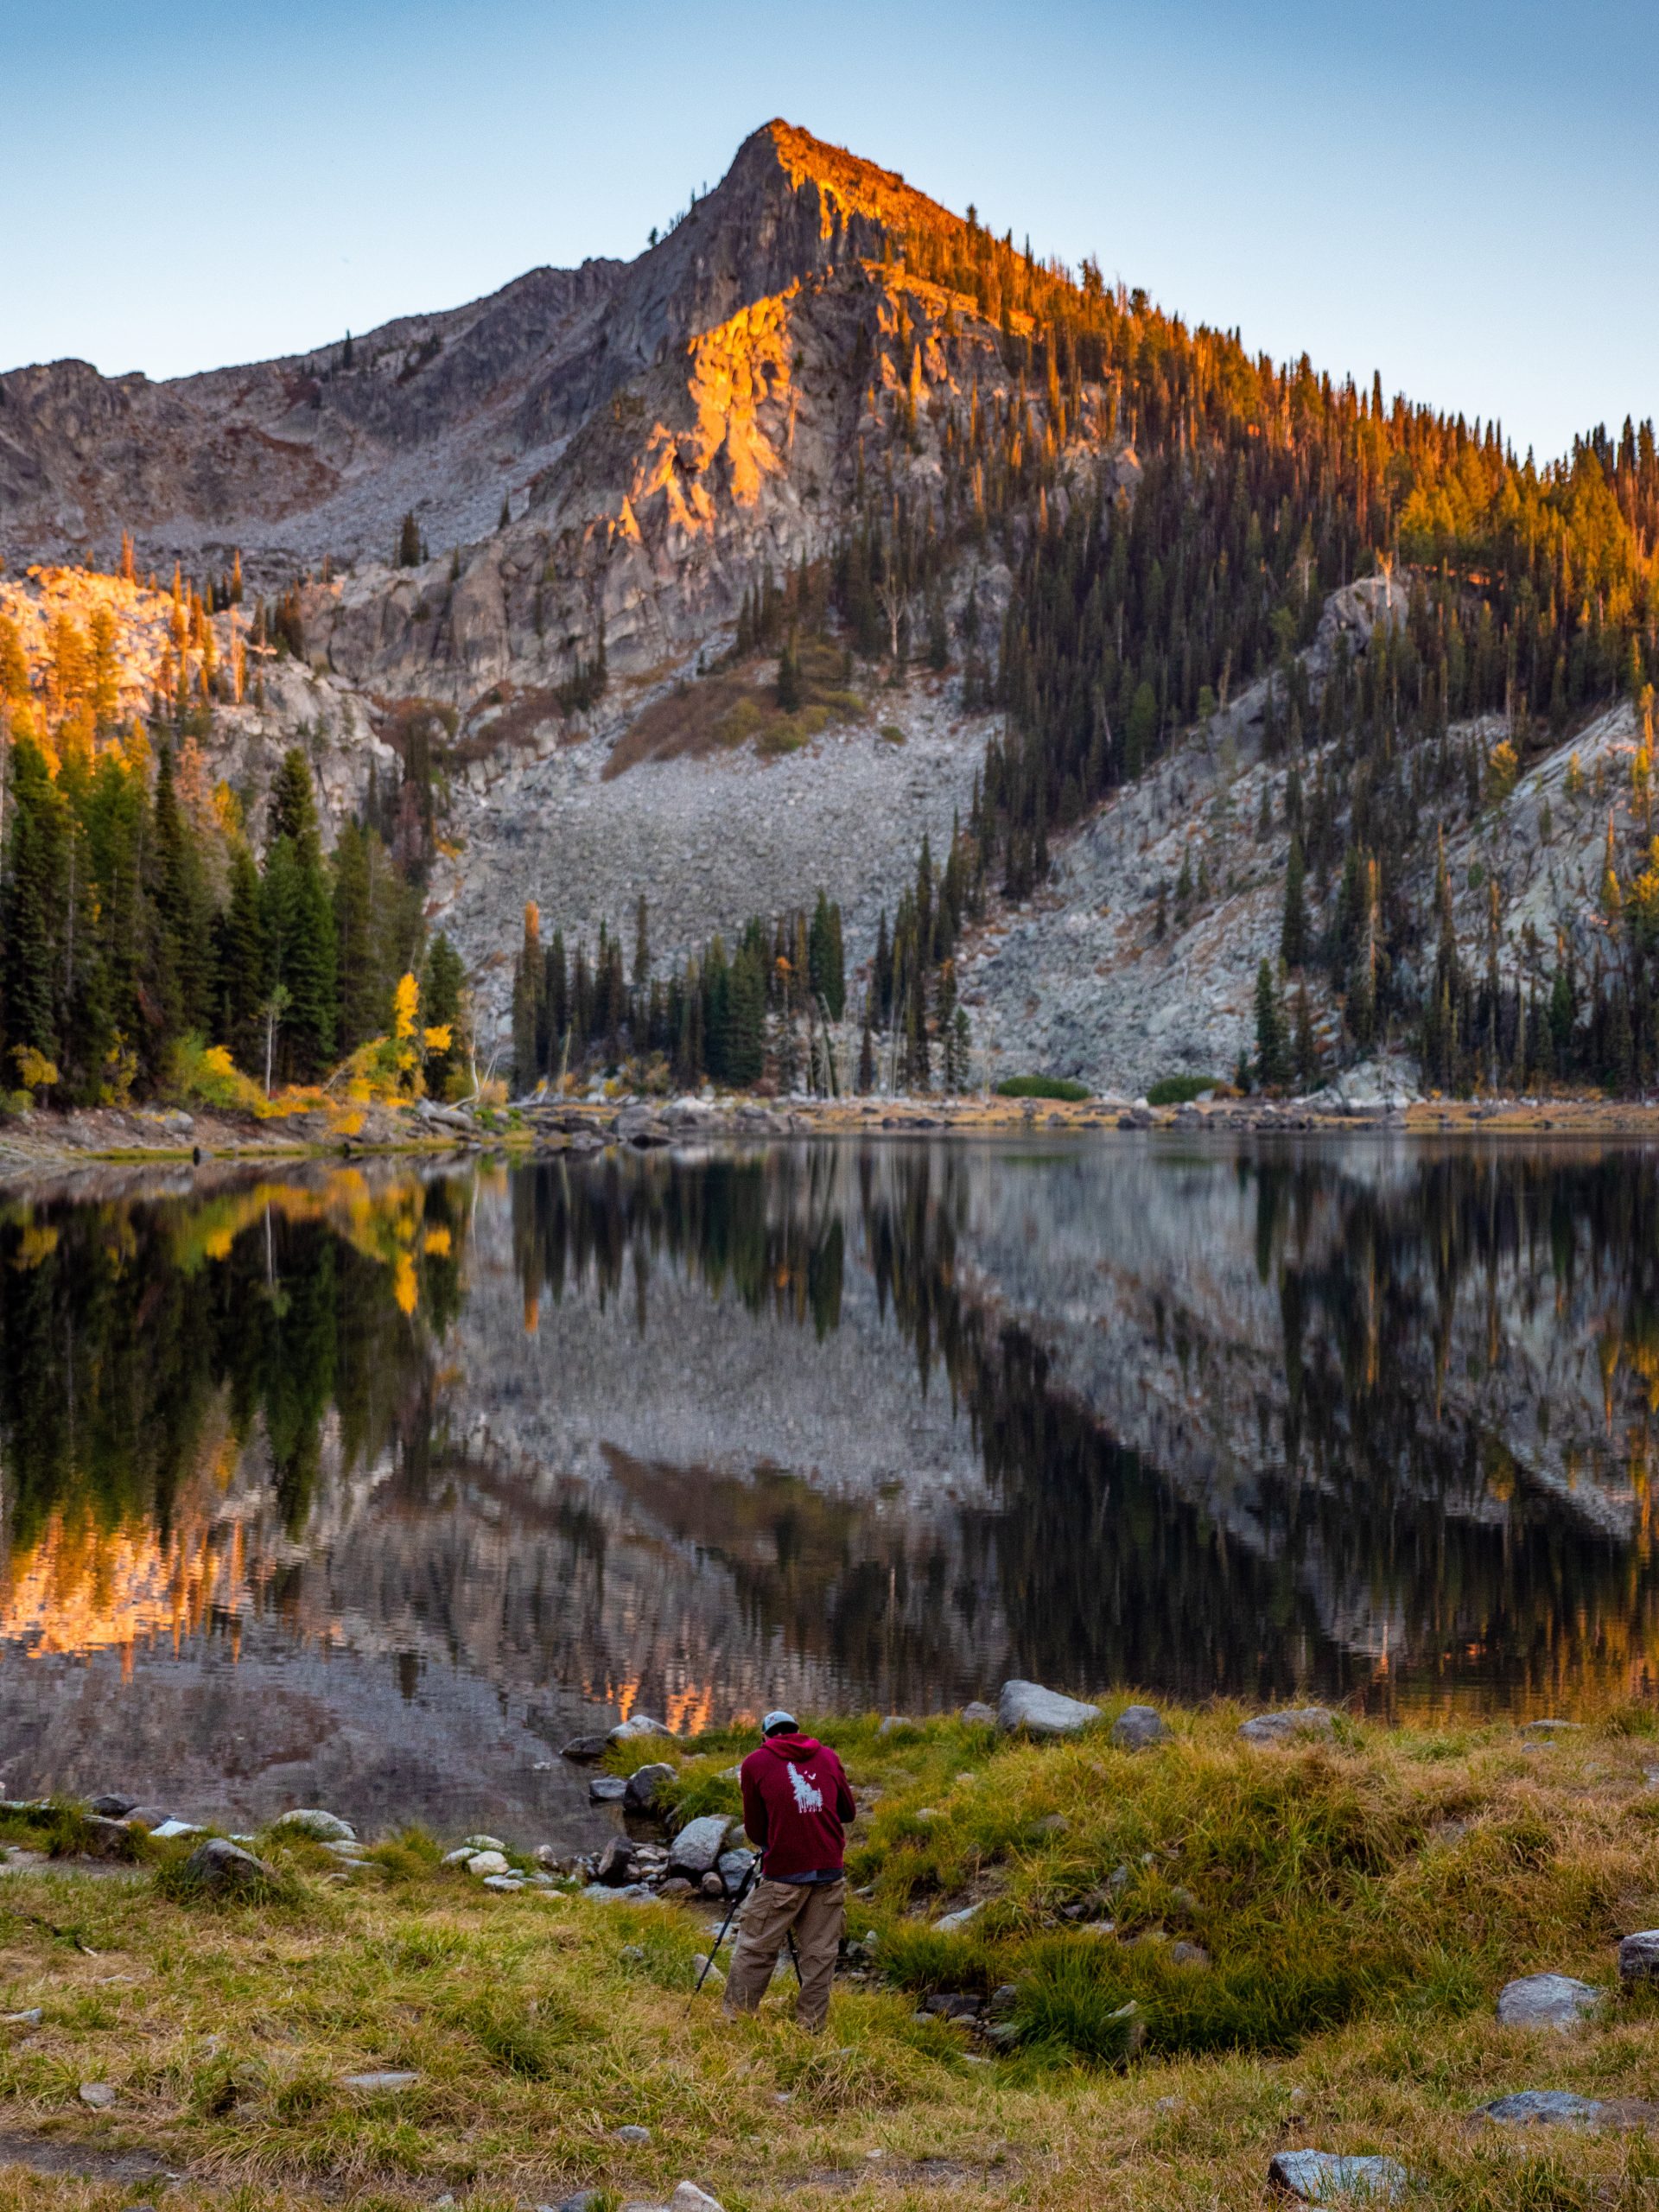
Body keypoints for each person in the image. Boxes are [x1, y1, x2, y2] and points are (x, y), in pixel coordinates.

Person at [722, 1708, 855, 2033]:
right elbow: (848, 1812)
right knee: (821, 1954)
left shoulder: (755, 1763)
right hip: (828, 1870)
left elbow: (755, 1830)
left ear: (765, 1737)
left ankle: (736, 2022)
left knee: (756, 1946)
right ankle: (810, 2028)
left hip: (783, 1872)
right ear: (797, 1731)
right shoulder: (827, 1756)